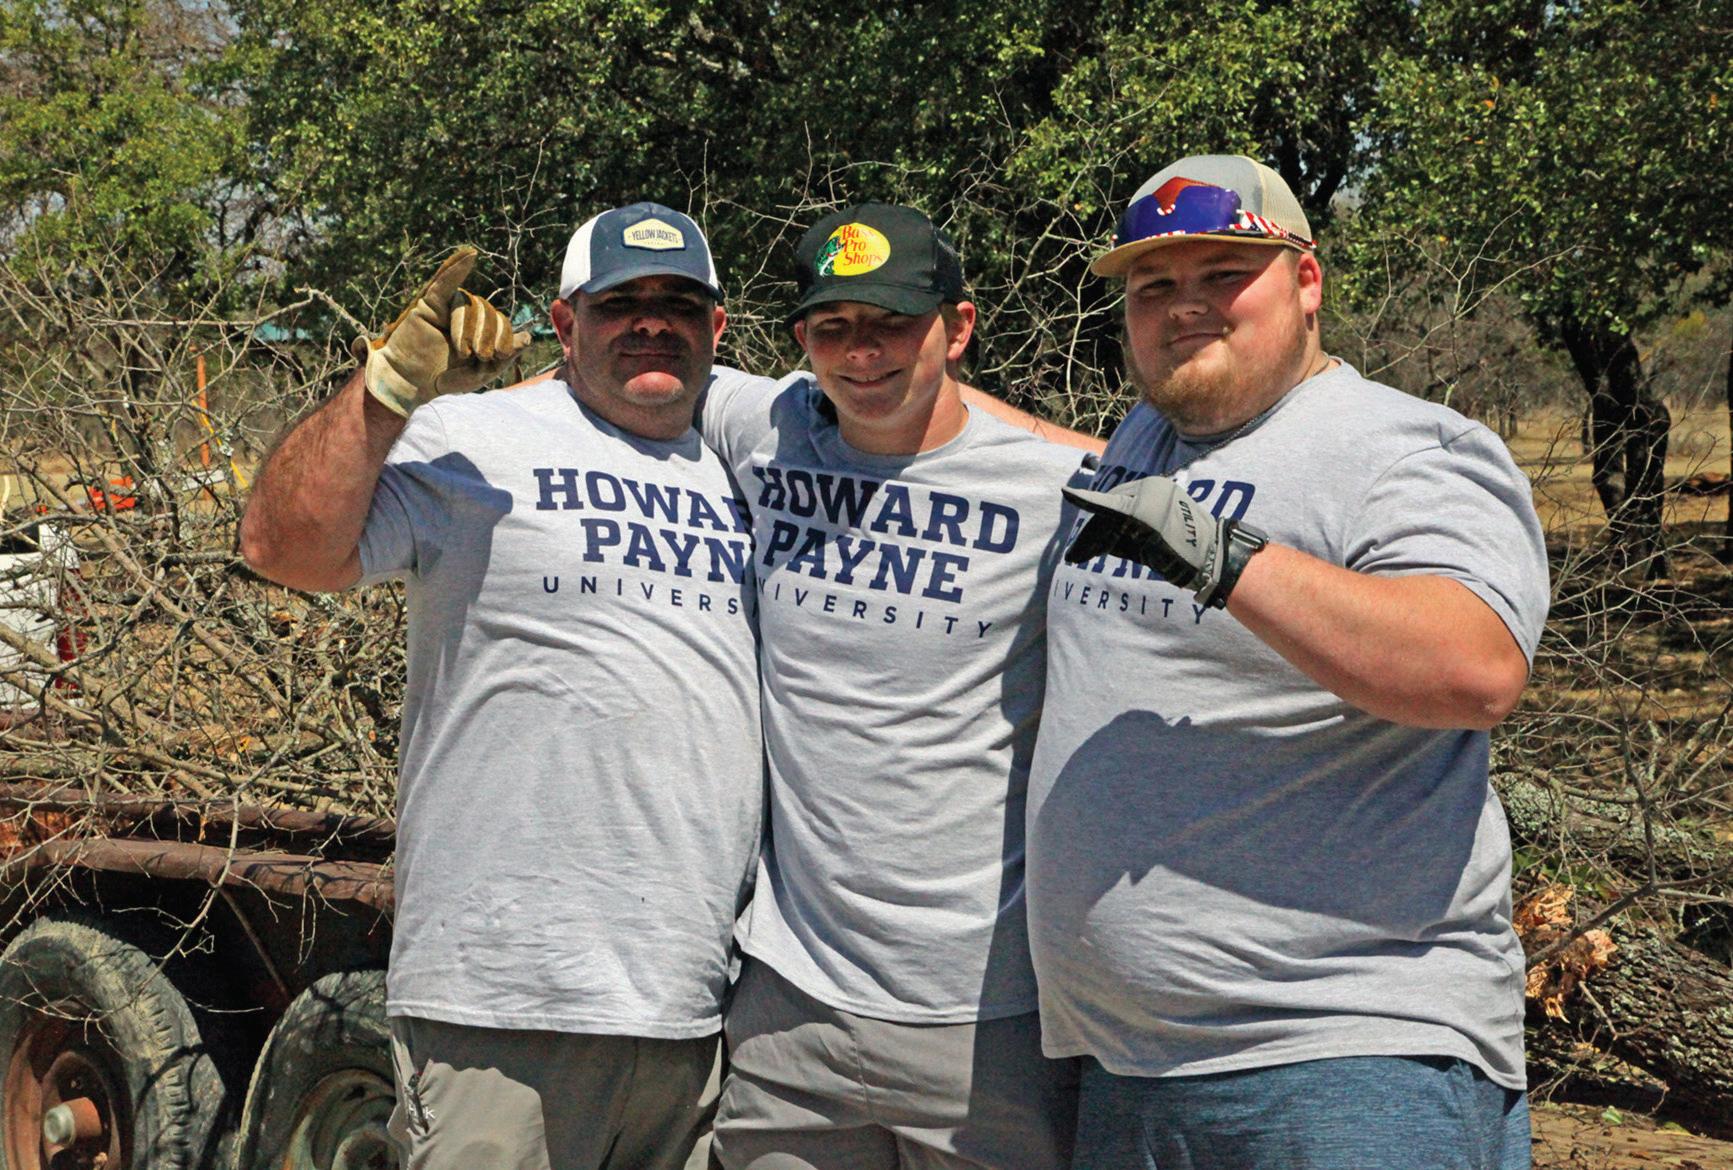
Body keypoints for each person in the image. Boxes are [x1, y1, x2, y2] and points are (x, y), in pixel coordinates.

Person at [1023, 155, 1550, 1170]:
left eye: (1223, 275)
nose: (1184, 306)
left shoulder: (1405, 447)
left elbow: (1475, 668)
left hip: (1347, 1060)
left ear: (1306, 281)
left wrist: (1224, 558)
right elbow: (1050, 449)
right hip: (1128, 1067)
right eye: (1153, 285)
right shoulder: (1148, 438)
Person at [239, 205, 763, 1170]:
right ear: (564, 323)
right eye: (622, 303)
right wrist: (387, 390)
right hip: (501, 997)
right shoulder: (470, 433)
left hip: (697, 1005)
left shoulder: (749, 467)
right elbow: (284, 547)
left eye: (680, 303)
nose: (653, 322)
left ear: (717, 326)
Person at [696, 203, 1091, 1170]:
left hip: (987, 1019)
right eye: (832, 326)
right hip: (789, 1007)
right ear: (801, 341)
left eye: (890, 324)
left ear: (957, 328)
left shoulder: (1061, 488)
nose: (860, 352)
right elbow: (619, 367)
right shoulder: (767, 430)